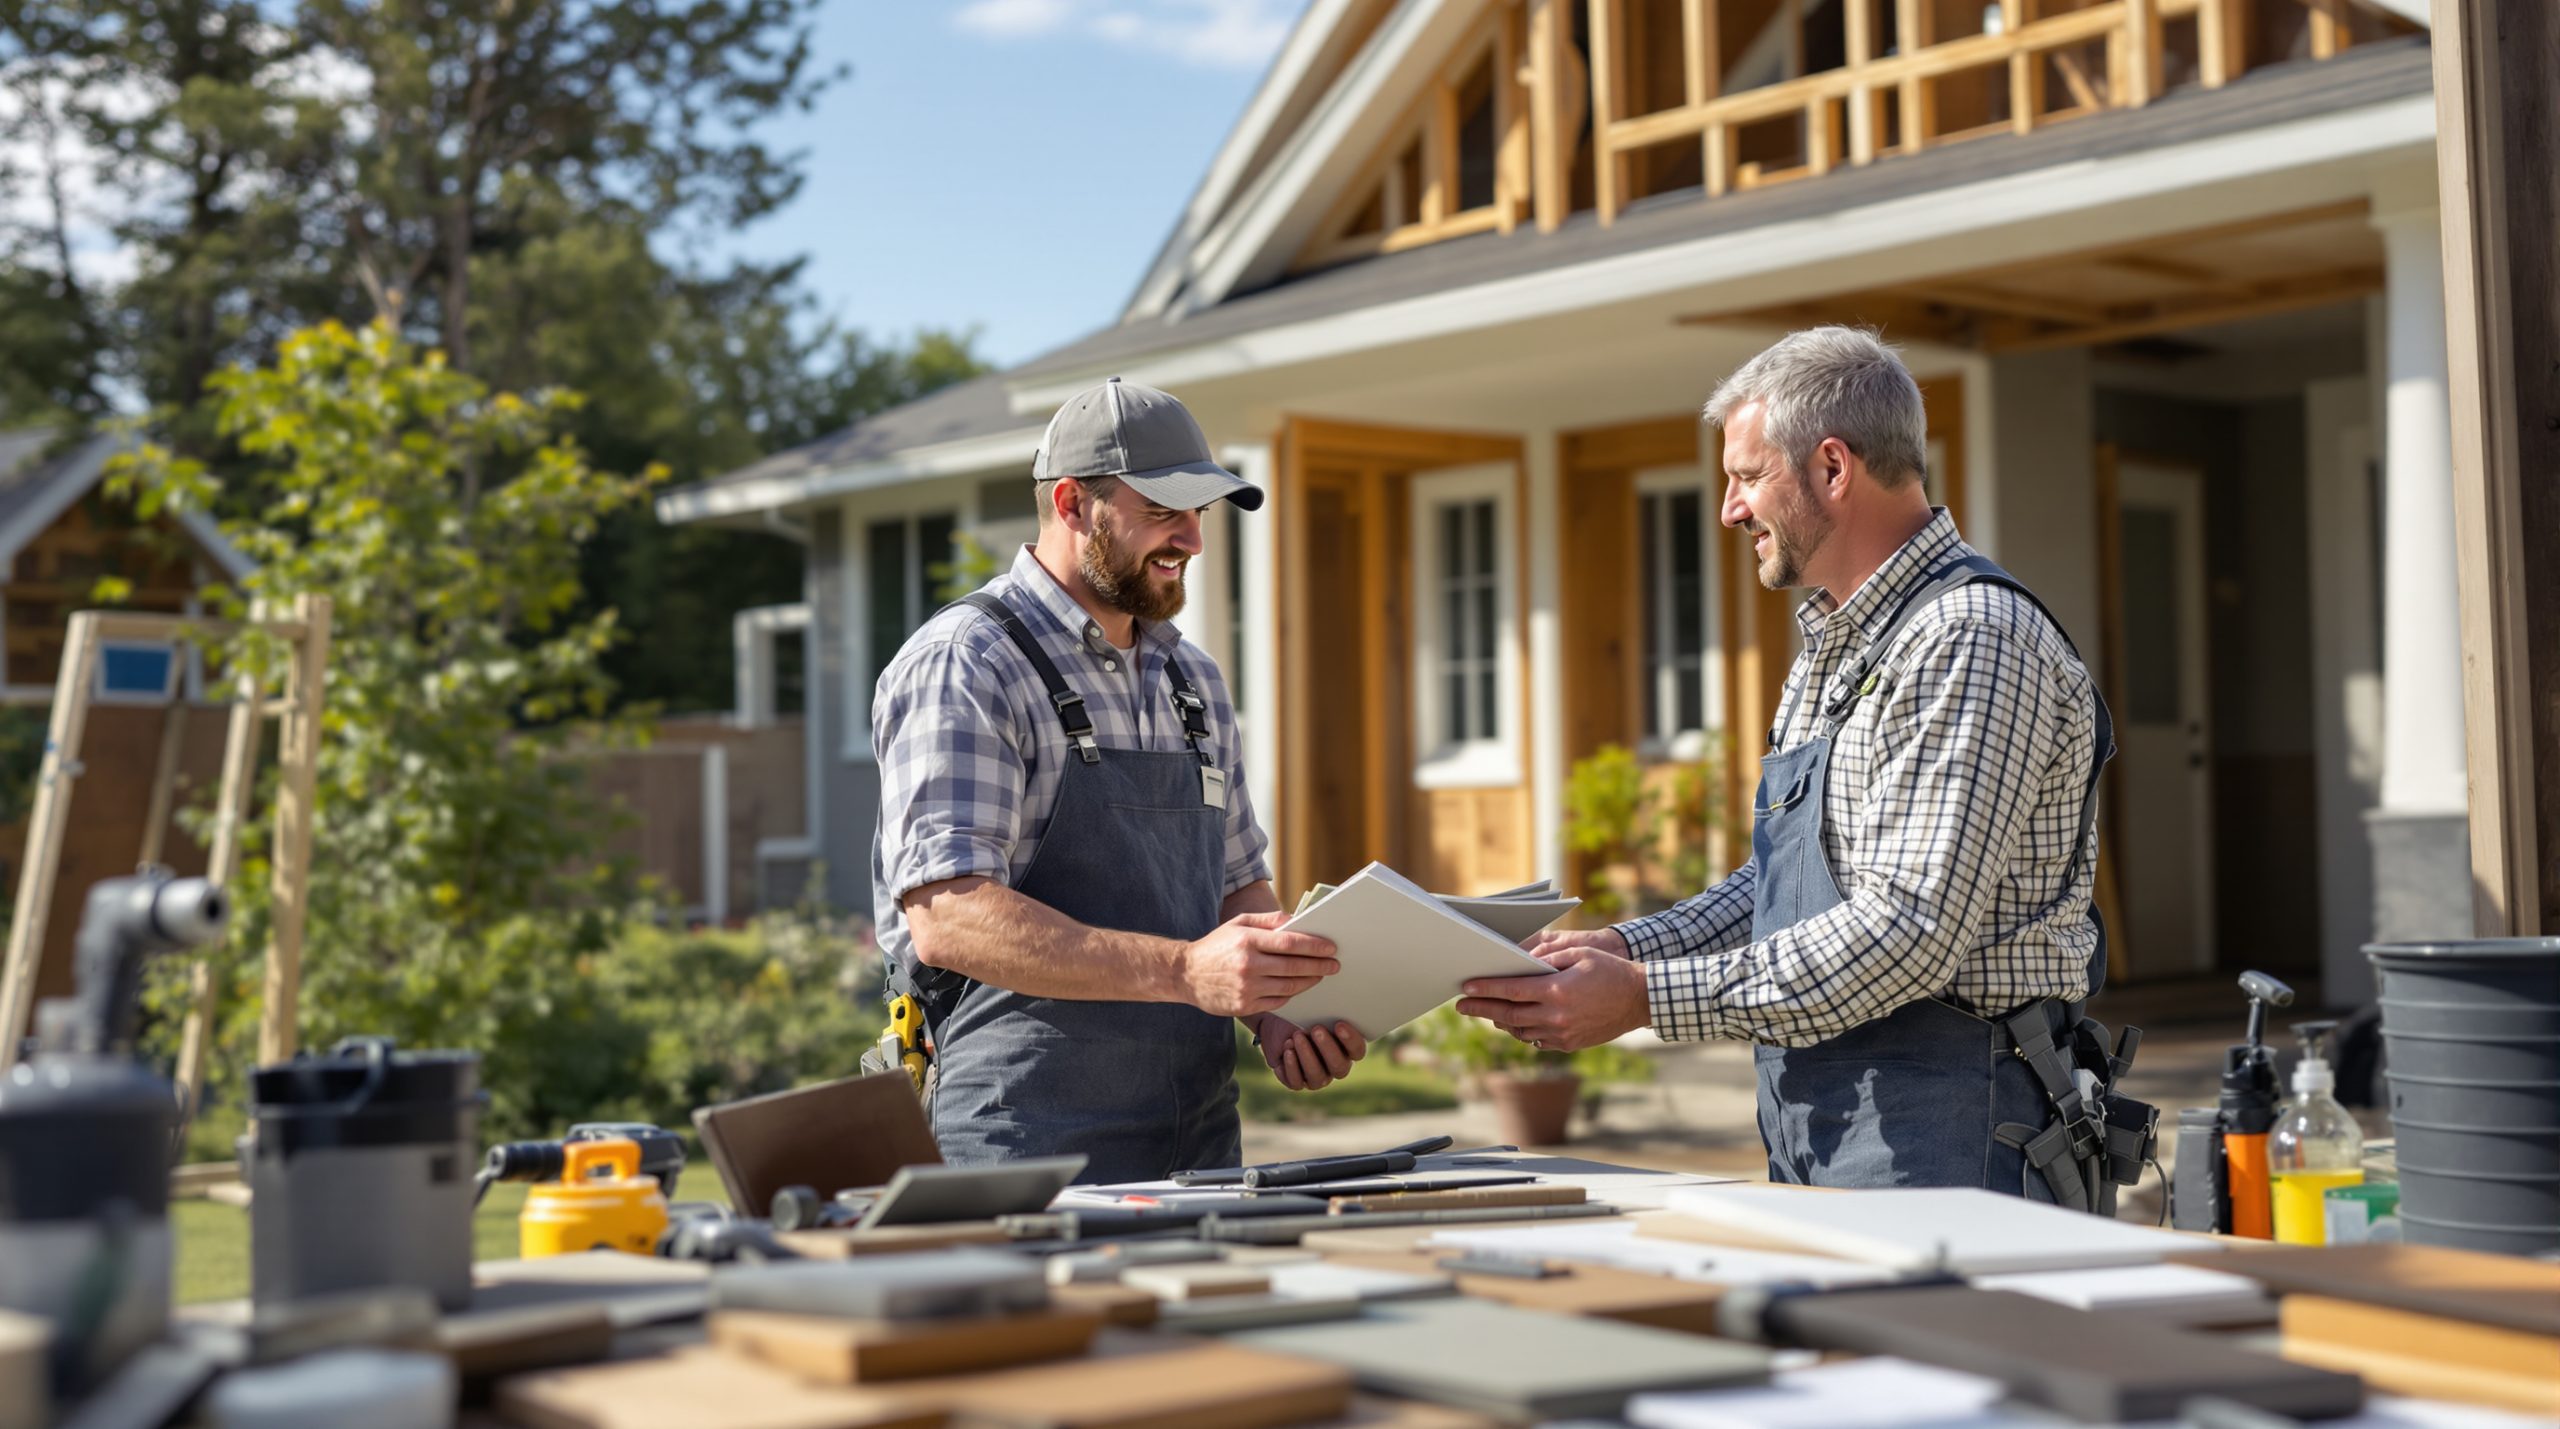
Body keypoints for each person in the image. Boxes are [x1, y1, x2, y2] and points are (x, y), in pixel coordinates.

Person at [1457, 327, 2118, 1197]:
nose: (1729, 509)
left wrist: (1646, 996)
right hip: (1833, 1122)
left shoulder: (1970, 640)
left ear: (1833, 468)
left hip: (1959, 1127)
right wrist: (1620, 948)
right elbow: (1784, 886)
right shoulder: (1835, 648)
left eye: (1746, 476)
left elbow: (1908, 930)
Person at [871, 376, 1366, 1182]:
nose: (1192, 539)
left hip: (1198, 1148)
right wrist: (1185, 971)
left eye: (1200, 511)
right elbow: (950, 917)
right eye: (1164, 509)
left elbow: (1238, 885)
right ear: (1072, 503)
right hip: (1018, 1150)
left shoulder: (1193, 679)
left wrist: (1280, 1011)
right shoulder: (968, 663)